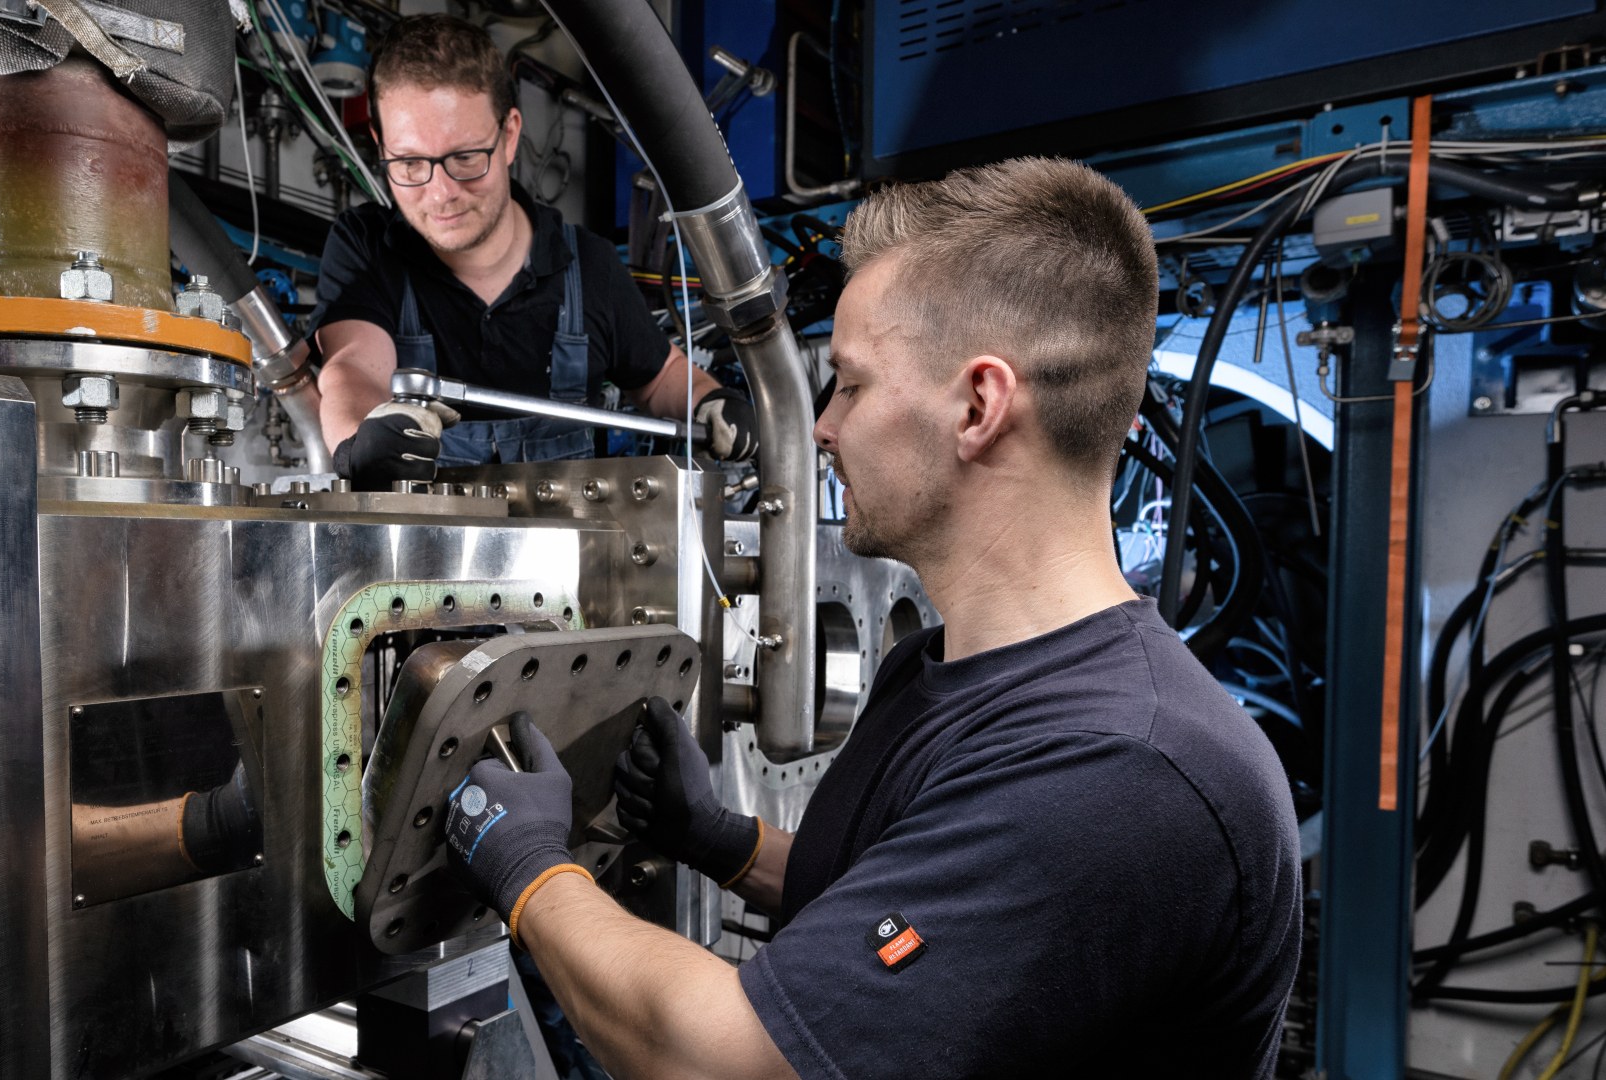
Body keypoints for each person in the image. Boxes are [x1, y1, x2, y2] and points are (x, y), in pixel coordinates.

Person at [441, 158, 1303, 1079]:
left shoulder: (1122, 769)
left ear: (979, 405)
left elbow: (717, 1060)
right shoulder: (940, 670)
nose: (822, 426)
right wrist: (721, 841)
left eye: (850, 384)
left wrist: (527, 866)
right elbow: (903, 908)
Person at [309, 15, 756, 491]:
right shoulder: (367, 246)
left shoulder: (589, 267)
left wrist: (710, 401)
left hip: (575, 559)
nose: (441, 192)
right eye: (410, 163)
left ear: (509, 135)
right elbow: (351, 368)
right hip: (423, 562)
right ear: (381, 146)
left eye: (465, 158)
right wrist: (363, 441)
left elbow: (660, 374)